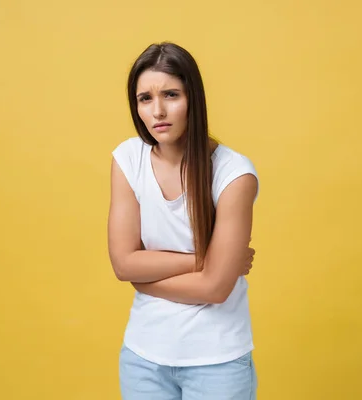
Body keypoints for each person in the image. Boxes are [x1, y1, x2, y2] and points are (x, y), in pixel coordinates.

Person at [107, 41, 260, 399]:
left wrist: (145, 281)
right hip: (142, 358)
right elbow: (123, 262)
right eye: (145, 98)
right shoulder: (128, 159)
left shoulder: (234, 173)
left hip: (217, 362)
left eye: (171, 94)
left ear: (193, 98)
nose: (158, 110)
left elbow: (215, 289)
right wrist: (206, 261)